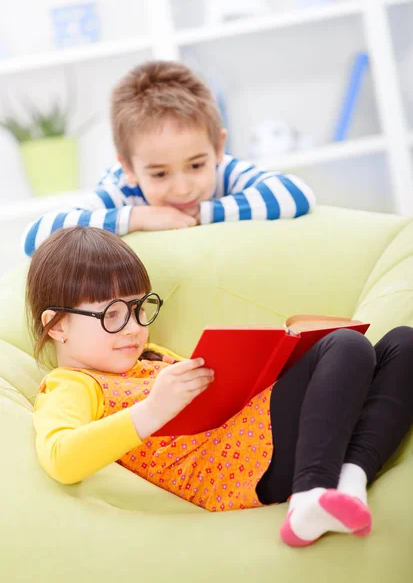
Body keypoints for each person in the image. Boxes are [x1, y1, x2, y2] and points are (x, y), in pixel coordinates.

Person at [29, 227, 413, 547]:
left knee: (403, 343)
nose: (133, 328)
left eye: (139, 309)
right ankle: (310, 495)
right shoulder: (71, 385)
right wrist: (153, 410)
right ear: (57, 325)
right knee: (346, 346)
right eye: (111, 315)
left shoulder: (150, 355)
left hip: (262, 434)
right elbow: (61, 457)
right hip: (237, 472)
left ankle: (348, 482)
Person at [23, 60, 316, 257]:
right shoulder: (123, 189)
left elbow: (296, 194)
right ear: (129, 168)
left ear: (217, 148)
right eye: (160, 174)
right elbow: (35, 236)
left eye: (196, 165)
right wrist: (138, 217)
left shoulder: (224, 169)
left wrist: (202, 214)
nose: (183, 188)